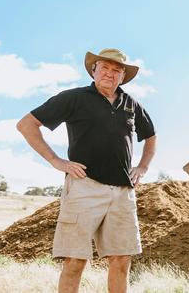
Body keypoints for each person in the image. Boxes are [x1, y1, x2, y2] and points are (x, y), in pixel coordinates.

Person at [17, 48, 157, 293]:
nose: (110, 74)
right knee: (74, 261)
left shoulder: (131, 104)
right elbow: (27, 124)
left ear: (123, 76)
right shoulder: (74, 98)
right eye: (104, 67)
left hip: (123, 191)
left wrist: (143, 167)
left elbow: (151, 137)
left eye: (116, 70)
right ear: (93, 70)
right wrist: (55, 160)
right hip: (84, 187)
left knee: (122, 260)